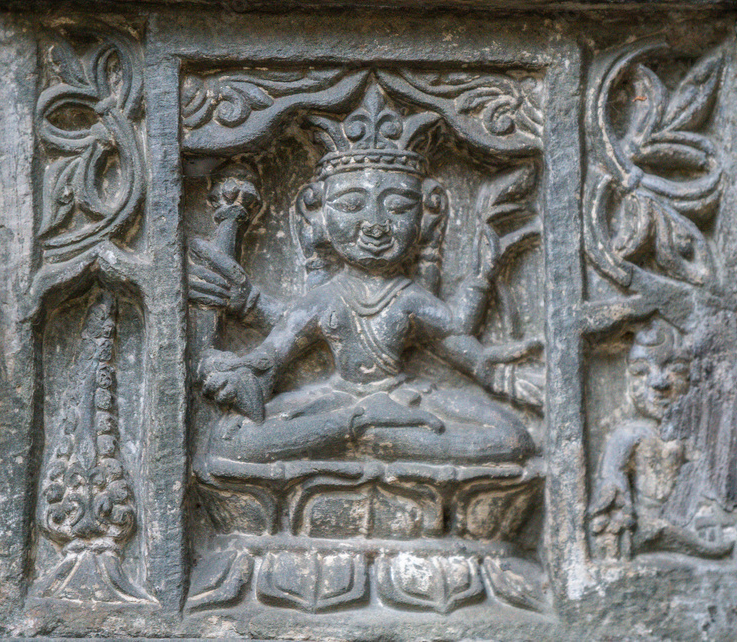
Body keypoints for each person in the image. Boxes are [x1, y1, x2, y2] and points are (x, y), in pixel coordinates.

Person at [188, 83, 543, 465]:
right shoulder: (327, 298)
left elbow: (458, 338)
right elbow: (274, 352)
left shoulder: (407, 296)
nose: (375, 225)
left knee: (511, 437)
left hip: (406, 397)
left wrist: (485, 289)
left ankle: (364, 434)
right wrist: (237, 369)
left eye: (398, 207)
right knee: (230, 439)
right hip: (335, 401)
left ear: (427, 215)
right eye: (351, 205)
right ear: (316, 216)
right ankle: (361, 427)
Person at [588, 319, 734, 559]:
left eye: (676, 369)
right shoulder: (628, 435)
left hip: (683, 521)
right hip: (644, 526)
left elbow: (706, 482)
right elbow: (612, 488)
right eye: (641, 371)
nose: (659, 382)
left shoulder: (692, 433)